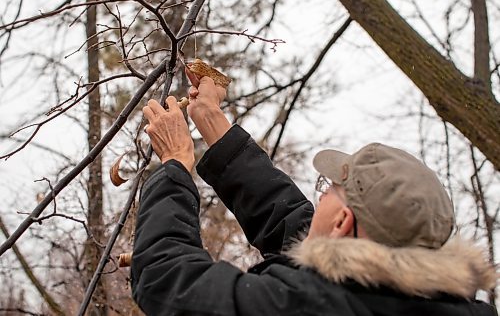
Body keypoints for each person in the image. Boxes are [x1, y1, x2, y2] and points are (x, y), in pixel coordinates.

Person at [131, 70, 497, 316]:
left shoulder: (304, 306)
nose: (319, 196)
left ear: (342, 220)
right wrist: (215, 127)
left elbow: (168, 279)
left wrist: (175, 164)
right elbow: (295, 230)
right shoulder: (452, 304)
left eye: (329, 189)